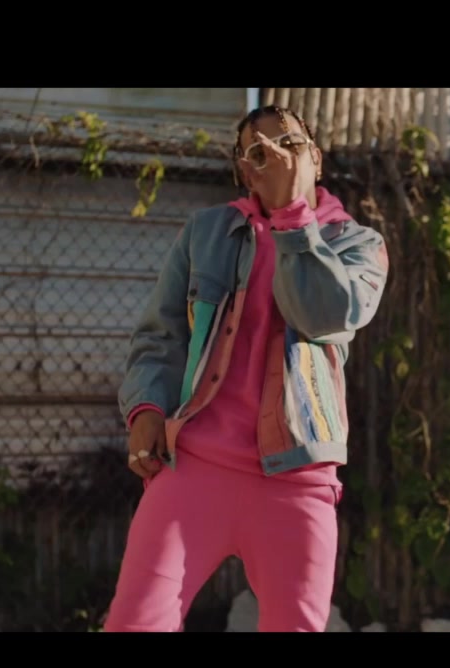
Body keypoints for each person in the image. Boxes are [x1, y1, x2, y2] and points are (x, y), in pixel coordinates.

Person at [103, 105, 389, 632]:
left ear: (316, 159)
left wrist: (293, 218)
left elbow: (325, 316)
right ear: (245, 172)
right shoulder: (207, 231)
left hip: (299, 477)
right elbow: (162, 334)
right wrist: (145, 408)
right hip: (195, 465)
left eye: (290, 145)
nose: (276, 157)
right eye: (258, 152)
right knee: (134, 623)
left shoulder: (358, 244)